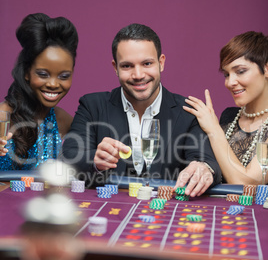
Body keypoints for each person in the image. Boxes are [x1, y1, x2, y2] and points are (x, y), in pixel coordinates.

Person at [62, 23, 221, 196]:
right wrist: (94, 160)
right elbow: (69, 157)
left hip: (165, 216)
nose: (138, 75)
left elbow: (205, 160)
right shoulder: (92, 106)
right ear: (115, 68)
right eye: (127, 66)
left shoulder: (188, 111)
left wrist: (203, 167)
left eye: (147, 63)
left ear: (161, 63)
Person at [183, 31, 268, 184]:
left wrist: (213, 129)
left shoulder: (216, 127)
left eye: (240, 71)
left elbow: (246, 184)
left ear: (266, 69)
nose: (230, 82)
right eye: (226, 74)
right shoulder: (229, 117)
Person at [0, 13, 78, 170]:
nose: (53, 84)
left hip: (43, 196)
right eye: (43, 74)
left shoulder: (62, 120)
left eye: (64, 76)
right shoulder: (2, 117)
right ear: (27, 72)